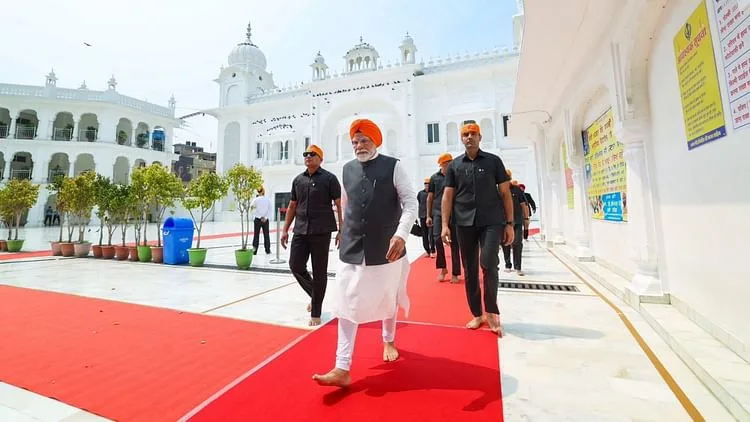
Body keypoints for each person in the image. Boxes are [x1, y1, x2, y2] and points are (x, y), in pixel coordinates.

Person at [313, 118, 417, 387]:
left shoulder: (393, 166)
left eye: (364, 140)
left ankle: (388, 340)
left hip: (387, 245)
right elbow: (347, 206)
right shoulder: (346, 170)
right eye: (355, 142)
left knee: (388, 296)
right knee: (346, 302)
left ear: (376, 142)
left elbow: (409, 203)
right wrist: (342, 231)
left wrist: (401, 235)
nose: (359, 146)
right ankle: (342, 367)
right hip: (351, 246)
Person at [440, 120, 514, 335]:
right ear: (461, 139)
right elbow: (447, 196)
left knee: (489, 262)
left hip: (491, 221)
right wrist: (444, 224)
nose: (469, 137)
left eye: (473, 133)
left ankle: (491, 311)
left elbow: (505, 193)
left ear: (480, 137)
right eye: (465, 134)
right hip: (464, 223)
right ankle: (477, 314)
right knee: (470, 268)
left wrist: (509, 224)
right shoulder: (454, 165)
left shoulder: (493, 162)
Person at [281, 144, 343, 326]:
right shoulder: (298, 180)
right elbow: (292, 205)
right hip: (300, 230)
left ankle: (316, 311)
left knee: (319, 270)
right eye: (305, 154)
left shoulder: (330, 179)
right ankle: (316, 296)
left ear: (320, 158)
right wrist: (285, 229)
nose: (308, 157)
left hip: (321, 231)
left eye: (312, 154)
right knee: (295, 265)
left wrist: (341, 229)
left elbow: (340, 205)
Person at [426, 153, 461, 283]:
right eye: (448, 163)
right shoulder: (434, 178)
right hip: (438, 213)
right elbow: (430, 197)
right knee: (437, 239)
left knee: (455, 243)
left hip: (454, 213)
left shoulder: (456, 176)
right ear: (442, 164)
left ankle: (455, 273)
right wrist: (428, 215)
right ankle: (443, 268)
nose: (451, 165)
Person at [502, 177, 529, 276]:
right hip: (503, 222)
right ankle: (508, 264)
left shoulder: (517, 190)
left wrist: (526, 219)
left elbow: (524, 205)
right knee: (506, 243)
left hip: (517, 221)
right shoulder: (499, 190)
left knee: (517, 243)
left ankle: (518, 267)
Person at [417, 179, 435, 257]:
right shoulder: (420, 193)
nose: (427, 186)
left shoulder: (433, 193)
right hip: (422, 216)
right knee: (424, 234)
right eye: (426, 184)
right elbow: (419, 201)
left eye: (428, 184)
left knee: (431, 234)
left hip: (431, 216)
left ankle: (432, 250)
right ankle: (427, 251)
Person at [251, 187, 272, 254]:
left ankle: (254, 251)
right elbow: (270, 210)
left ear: (258, 192)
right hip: (265, 220)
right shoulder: (268, 200)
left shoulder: (255, 200)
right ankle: (267, 250)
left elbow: (252, 210)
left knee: (256, 235)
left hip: (257, 220)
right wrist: (265, 217)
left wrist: (260, 217)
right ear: (263, 192)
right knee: (266, 235)